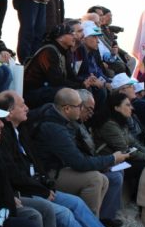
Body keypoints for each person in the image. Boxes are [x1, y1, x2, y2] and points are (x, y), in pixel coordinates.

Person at [0, 90, 145, 227]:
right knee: (66, 212)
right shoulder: (9, 135)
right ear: (9, 112)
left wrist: (43, 185)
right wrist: (42, 189)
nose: (27, 108)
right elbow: (14, 174)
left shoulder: (20, 129)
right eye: (22, 105)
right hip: (23, 192)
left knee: (76, 203)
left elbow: (34, 164)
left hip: (37, 184)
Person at [27, 88, 129, 217]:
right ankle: (88, 224)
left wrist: (107, 161)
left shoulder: (60, 120)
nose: (82, 109)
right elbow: (79, 162)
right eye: (79, 106)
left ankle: (95, 221)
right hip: (47, 173)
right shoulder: (55, 128)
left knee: (103, 178)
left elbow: (79, 156)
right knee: (95, 179)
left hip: (58, 167)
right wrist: (111, 159)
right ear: (67, 109)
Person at [93, 91, 145, 200]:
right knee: (144, 166)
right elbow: (125, 150)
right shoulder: (109, 125)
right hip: (110, 166)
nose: (131, 108)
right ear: (117, 108)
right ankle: (138, 199)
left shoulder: (120, 122)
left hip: (120, 161)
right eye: (127, 105)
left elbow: (134, 143)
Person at [23, 23, 84, 107]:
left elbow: (71, 76)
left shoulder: (64, 52)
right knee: (66, 94)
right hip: (33, 93)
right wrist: (80, 85)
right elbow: (56, 81)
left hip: (47, 89)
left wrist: (84, 83)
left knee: (85, 90)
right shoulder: (49, 51)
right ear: (60, 38)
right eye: (71, 34)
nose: (74, 37)